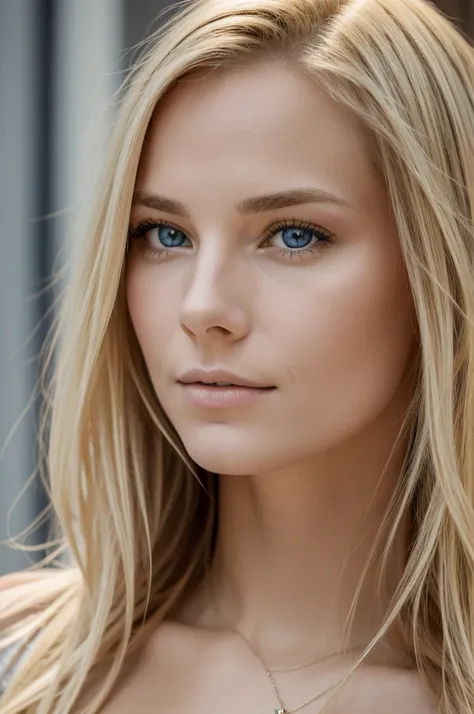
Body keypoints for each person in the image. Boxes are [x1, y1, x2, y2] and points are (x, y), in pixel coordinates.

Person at [1, 0, 474, 711]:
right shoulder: (23, 657)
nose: (201, 308)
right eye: (164, 234)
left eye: (293, 235)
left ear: (441, 263)